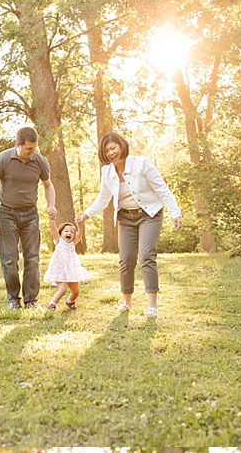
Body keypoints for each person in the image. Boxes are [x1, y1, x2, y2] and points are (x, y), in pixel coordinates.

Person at [77, 131, 182, 319]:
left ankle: (152, 306)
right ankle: (126, 302)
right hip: (125, 218)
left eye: (113, 148)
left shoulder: (142, 164)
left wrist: (176, 213)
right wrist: (86, 215)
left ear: (122, 146)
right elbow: (103, 199)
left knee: (147, 255)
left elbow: (162, 190)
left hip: (149, 214)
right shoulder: (107, 172)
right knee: (126, 259)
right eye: (106, 150)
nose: (111, 153)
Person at [0, 127, 57, 309]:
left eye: (34, 148)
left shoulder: (40, 161)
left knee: (32, 258)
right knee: (10, 259)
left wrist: (51, 205)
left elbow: (48, 186)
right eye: (29, 149)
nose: (32, 152)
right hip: (7, 214)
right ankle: (13, 299)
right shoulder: (3, 159)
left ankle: (31, 300)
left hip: (31, 214)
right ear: (18, 145)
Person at [43, 221, 88, 311]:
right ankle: (52, 305)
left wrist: (80, 226)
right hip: (60, 270)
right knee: (62, 289)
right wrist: (52, 219)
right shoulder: (58, 241)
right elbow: (53, 228)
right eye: (66, 231)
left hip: (71, 271)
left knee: (76, 291)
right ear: (61, 233)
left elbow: (80, 234)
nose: (69, 233)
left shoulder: (73, 243)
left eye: (72, 232)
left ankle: (70, 301)